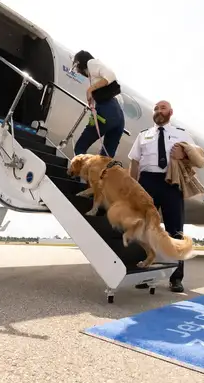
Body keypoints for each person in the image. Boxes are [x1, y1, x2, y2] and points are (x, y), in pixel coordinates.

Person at [127, 100, 194, 293]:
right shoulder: (143, 135)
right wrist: (133, 188)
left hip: (172, 183)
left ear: (170, 112)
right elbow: (134, 162)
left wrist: (184, 155)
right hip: (148, 182)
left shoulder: (182, 133)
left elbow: (197, 155)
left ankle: (176, 278)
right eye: (156, 108)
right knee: (145, 230)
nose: (158, 111)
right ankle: (145, 275)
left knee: (176, 230)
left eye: (162, 108)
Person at [71, 50, 125, 158]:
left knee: (80, 148)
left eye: (76, 67)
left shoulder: (91, 63)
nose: (78, 71)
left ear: (79, 62)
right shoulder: (94, 76)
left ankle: (81, 174)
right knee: (105, 158)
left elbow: (110, 75)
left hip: (107, 111)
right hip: (119, 117)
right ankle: (100, 174)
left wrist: (90, 90)